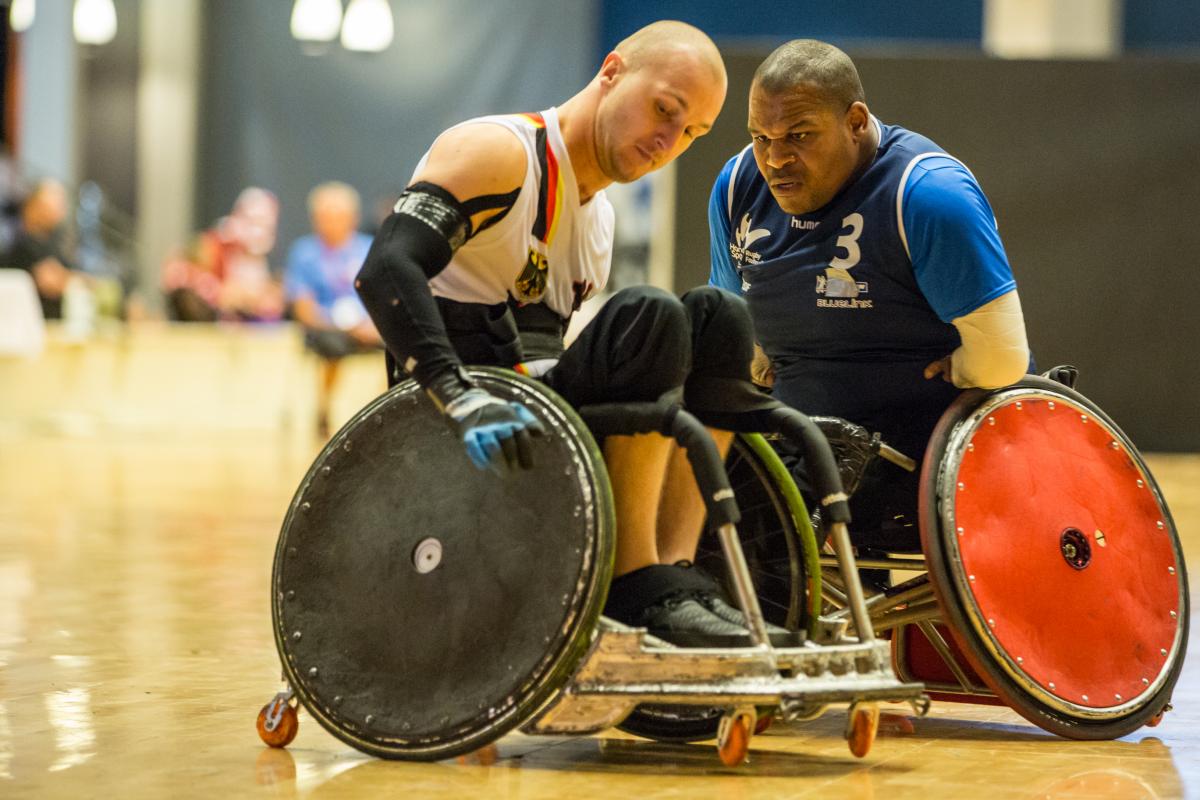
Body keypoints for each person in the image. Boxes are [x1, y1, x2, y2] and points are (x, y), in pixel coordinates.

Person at [355, 20, 791, 645]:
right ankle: (635, 580)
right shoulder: (500, 153)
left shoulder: (599, 220)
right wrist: (456, 392)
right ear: (612, 71)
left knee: (719, 317)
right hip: (456, 419)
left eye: (690, 134)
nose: (668, 141)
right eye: (664, 110)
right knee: (649, 314)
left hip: (540, 414)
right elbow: (385, 270)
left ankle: (674, 571)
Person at [709, 40, 1030, 548]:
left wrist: (964, 372)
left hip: (902, 456)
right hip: (787, 438)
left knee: (739, 535)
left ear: (855, 121)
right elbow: (732, 330)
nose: (775, 159)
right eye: (760, 138)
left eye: (799, 135)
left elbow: (1002, 359)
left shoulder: (928, 195)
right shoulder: (735, 187)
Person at [284, 182, 382, 438]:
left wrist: (370, 324)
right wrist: (343, 327)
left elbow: (385, 294)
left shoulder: (368, 248)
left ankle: (383, 411)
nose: (330, 223)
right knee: (333, 347)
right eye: (323, 217)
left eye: (337, 216)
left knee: (398, 343)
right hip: (326, 328)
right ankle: (324, 411)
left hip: (367, 325)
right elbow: (303, 308)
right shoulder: (304, 253)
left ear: (352, 218)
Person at [162, 187, 285, 322]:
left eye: (265, 225)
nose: (258, 232)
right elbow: (174, 273)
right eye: (254, 223)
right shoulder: (213, 246)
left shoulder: (255, 259)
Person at [3, 179, 78, 319]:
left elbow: (71, 275)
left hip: (52, 320)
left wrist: (67, 278)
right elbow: (48, 282)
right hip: (21, 320)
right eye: (55, 205)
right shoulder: (15, 237)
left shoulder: (55, 238)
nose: (61, 211)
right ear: (34, 205)